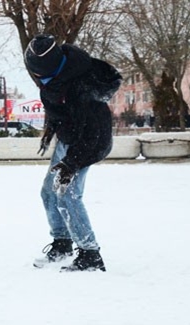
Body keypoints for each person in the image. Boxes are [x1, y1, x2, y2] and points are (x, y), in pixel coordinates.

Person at [24, 34, 122, 272]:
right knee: (49, 193)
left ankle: (90, 255)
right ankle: (63, 243)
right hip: (69, 140)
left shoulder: (82, 88)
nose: (38, 79)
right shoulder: (55, 79)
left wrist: (71, 163)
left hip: (87, 146)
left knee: (68, 196)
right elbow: (61, 113)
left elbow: (93, 137)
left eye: (39, 75)